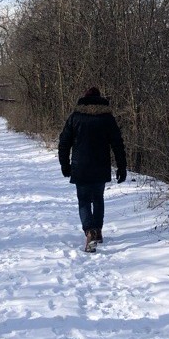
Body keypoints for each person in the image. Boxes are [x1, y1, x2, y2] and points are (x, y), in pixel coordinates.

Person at [58, 87, 127, 252]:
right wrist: (122, 167)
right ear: (100, 100)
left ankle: (89, 230)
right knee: (98, 199)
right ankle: (98, 230)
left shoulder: (75, 117)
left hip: (80, 167)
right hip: (100, 166)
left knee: (83, 201)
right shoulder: (107, 118)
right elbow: (118, 144)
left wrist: (65, 165)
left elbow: (64, 143)